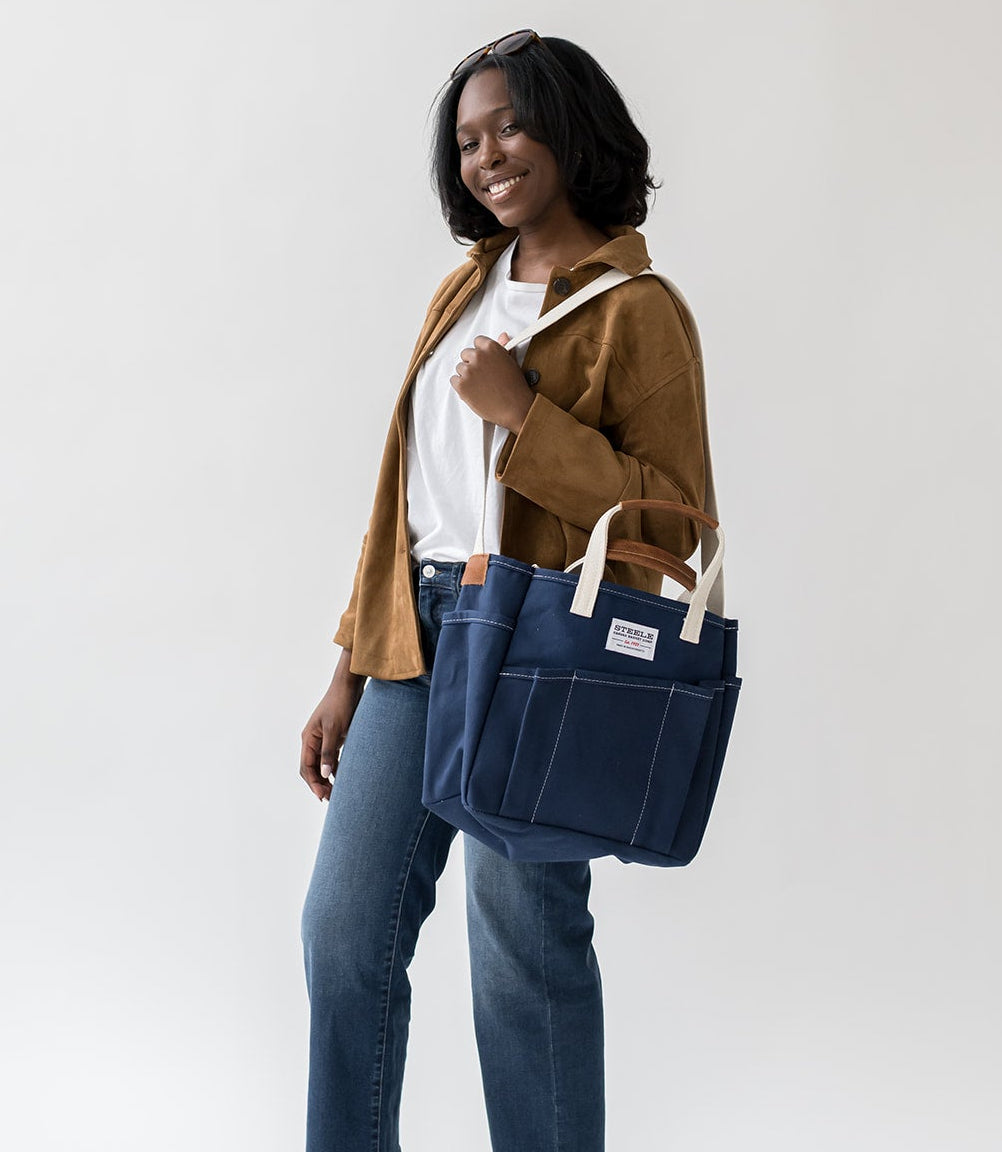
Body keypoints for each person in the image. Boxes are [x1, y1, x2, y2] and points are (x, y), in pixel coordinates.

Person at [299, 30, 709, 1152]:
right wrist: (348, 666)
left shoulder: (638, 309)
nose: (488, 157)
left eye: (511, 127)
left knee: (524, 950)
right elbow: (407, 495)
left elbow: (674, 526)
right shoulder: (462, 291)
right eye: (469, 141)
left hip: (537, 649)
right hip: (415, 637)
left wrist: (526, 418)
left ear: (570, 129)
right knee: (343, 934)